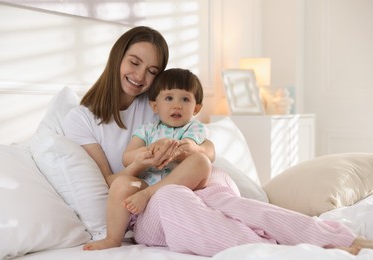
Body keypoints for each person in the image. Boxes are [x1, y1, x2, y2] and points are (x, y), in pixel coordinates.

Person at [63, 25, 373, 256]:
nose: (141, 76)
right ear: (118, 56)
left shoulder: (158, 101)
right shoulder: (84, 118)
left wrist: (195, 150)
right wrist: (143, 162)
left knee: (239, 204)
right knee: (173, 198)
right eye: (134, 62)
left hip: (196, 180)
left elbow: (206, 149)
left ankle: (339, 238)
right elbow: (111, 181)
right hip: (152, 194)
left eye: (152, 71)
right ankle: (280, 250)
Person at [84, 68, 212, 250]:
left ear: (196, 108)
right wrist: (147, 152)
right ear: (154, 106)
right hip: (144, 190)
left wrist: (178, 148)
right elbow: (128, 157)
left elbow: (192, 146)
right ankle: (113, 238)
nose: (177, 105)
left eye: (185, 99)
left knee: (201, 161)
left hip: (177, 189)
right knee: (122, 183)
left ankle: (149, 194)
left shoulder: (194, 128)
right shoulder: (148, 130)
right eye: (169, 98)